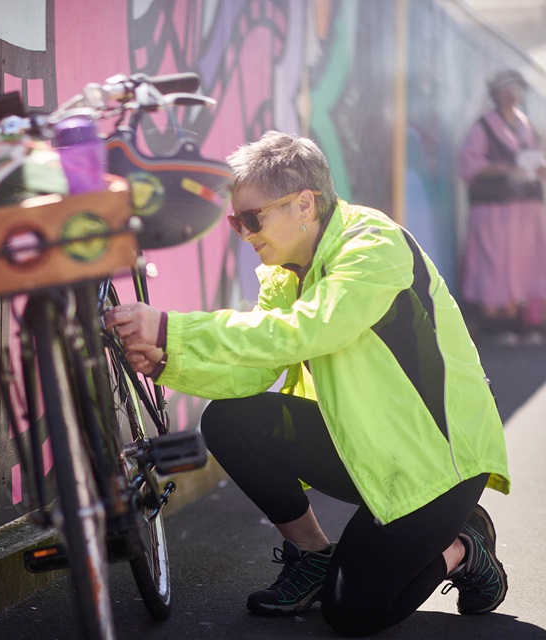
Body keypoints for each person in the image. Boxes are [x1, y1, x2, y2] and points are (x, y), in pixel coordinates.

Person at [105, 131, 511, 637]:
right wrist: (167, 361)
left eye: (252, 218)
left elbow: (308, 329)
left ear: (303, 203)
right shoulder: (286, 271)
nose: (244, 232)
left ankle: (464, 546)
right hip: (365, 446)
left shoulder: (372, 247)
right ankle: (315, 557)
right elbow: (253, 371)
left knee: (352, 615)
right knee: (231, 422)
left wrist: (171, 328)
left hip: (437, 463)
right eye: (236, 221)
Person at [459, 68, 546, 346]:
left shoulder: (525, 124)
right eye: (507, 89)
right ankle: (492, 323)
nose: (513, 95)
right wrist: (503, 169)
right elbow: (469, 165)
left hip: (525, 210)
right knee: (494, 263)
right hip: (494, 209)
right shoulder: (483, 126)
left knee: (521, 265)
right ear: (497, 94)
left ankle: (516, 319)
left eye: (517, 89)